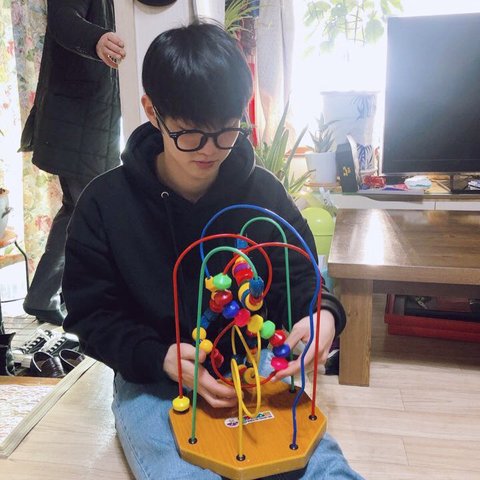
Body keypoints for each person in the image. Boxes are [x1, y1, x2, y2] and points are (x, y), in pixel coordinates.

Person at [62, 22, 363, 480]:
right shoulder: (104, 204)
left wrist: (324, 314)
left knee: (323, 467)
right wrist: (158, 357)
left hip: (253, 361)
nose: (210, 150)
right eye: (189, 133)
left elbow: (302, 277)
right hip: (155, 377)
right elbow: (89, 315)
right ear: (152, 111)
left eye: (226, 131)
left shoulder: (263, 193)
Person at [19, 0, 125, 325]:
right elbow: (63, 20)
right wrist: (97, 39)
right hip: (78, 117)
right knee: (93, 210)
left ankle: (42, 297)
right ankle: (91, 305)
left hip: (93, 117)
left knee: (77, 209)